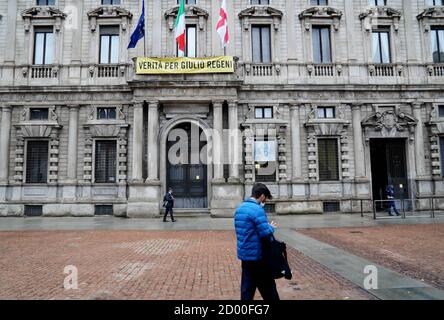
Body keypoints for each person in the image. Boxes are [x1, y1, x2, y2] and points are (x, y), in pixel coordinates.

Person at [234, 183, 280, 301]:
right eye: (266, 198)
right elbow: (265, 233)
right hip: (259, 258)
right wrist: (271, 227)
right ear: (262, 196)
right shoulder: (257, 209)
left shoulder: (240, 209)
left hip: (245, 256)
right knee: (270, 291)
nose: (265, 201)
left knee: (247, 291)